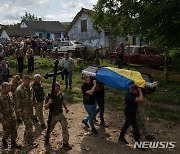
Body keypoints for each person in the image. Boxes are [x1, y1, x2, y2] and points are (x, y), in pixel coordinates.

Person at [45, 82, 72, 149]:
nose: (58, 89)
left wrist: (66, 108)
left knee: (65, 126)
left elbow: (62, 101)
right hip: (53, 116)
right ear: (53, 88)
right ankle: (46, 138)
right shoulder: (49, 96)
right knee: (50, 128)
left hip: (60, 114)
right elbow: (45, 107)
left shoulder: (60, 94)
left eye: (58, 88)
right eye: (56, 88)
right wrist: (49, 102)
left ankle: (65, 143)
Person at [15, 75, 37, 146]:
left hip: (30, 109)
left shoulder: (30, 87)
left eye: (29, 81)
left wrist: (34, 102)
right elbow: (17, 102)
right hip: (24, 110)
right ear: (23, 80)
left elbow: (32, 95)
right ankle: (29, 141)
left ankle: (28, 136)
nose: (28, 83)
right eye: (27, 81)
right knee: (29, 125)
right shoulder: (19, 90)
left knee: (29, 124)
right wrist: (19, 111)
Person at [0, 82, 21, 149]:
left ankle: (13, 143)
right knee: (8, 130)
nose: (10, 89)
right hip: (5, 117)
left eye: (10, 87)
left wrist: (16, 113)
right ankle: (4, 140)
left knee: (14, 130)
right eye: (8, 88)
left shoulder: (10, 94)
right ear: (3, 88)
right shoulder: (0, 97)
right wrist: (3, 120)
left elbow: (12, 105)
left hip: (12, 115)